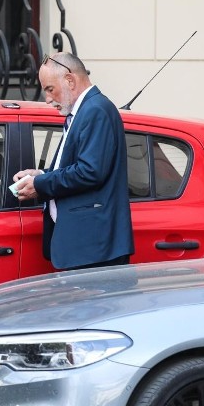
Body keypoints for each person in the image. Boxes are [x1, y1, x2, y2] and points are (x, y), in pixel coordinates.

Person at [13, 52, 134, 270]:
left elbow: (90, 172)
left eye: (50, 89)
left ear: (69, 80)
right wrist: (41, 175)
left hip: (93, 250)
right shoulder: (84, 111)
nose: (47, 99)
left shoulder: (95, 110)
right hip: (87, 247)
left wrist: (40, 185)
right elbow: (78, 167)